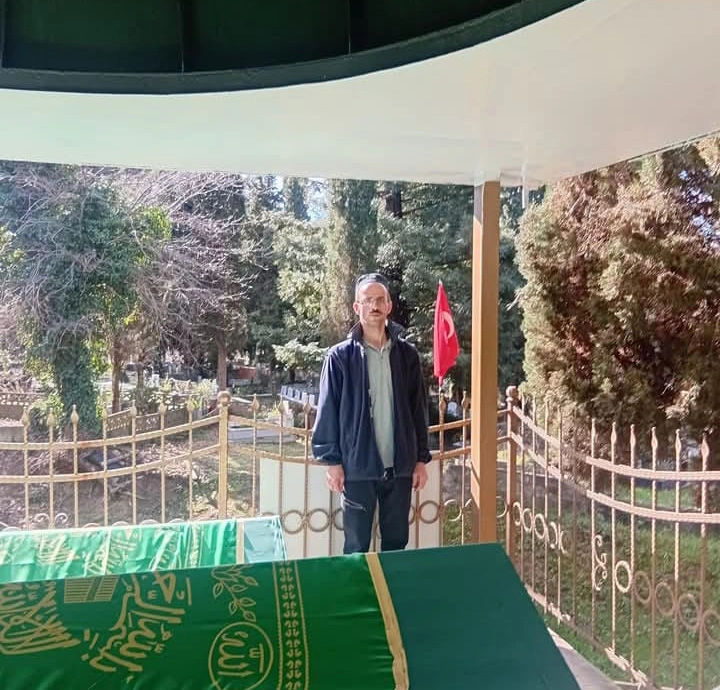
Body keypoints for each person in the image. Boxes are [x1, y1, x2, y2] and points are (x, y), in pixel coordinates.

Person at [312, 272, 431, 554]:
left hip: (400, 466)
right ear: (357, 307)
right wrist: (332, 461)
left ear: (389, 305)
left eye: (380, 300)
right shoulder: (340, 357)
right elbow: (328, 409)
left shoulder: (407, 355)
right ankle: (357, 586)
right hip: (357, 468)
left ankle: (391, 586)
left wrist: (420, 459)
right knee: (356, 547)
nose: (374, 306)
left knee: (396, 544)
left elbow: (418, 409)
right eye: (367, 300)